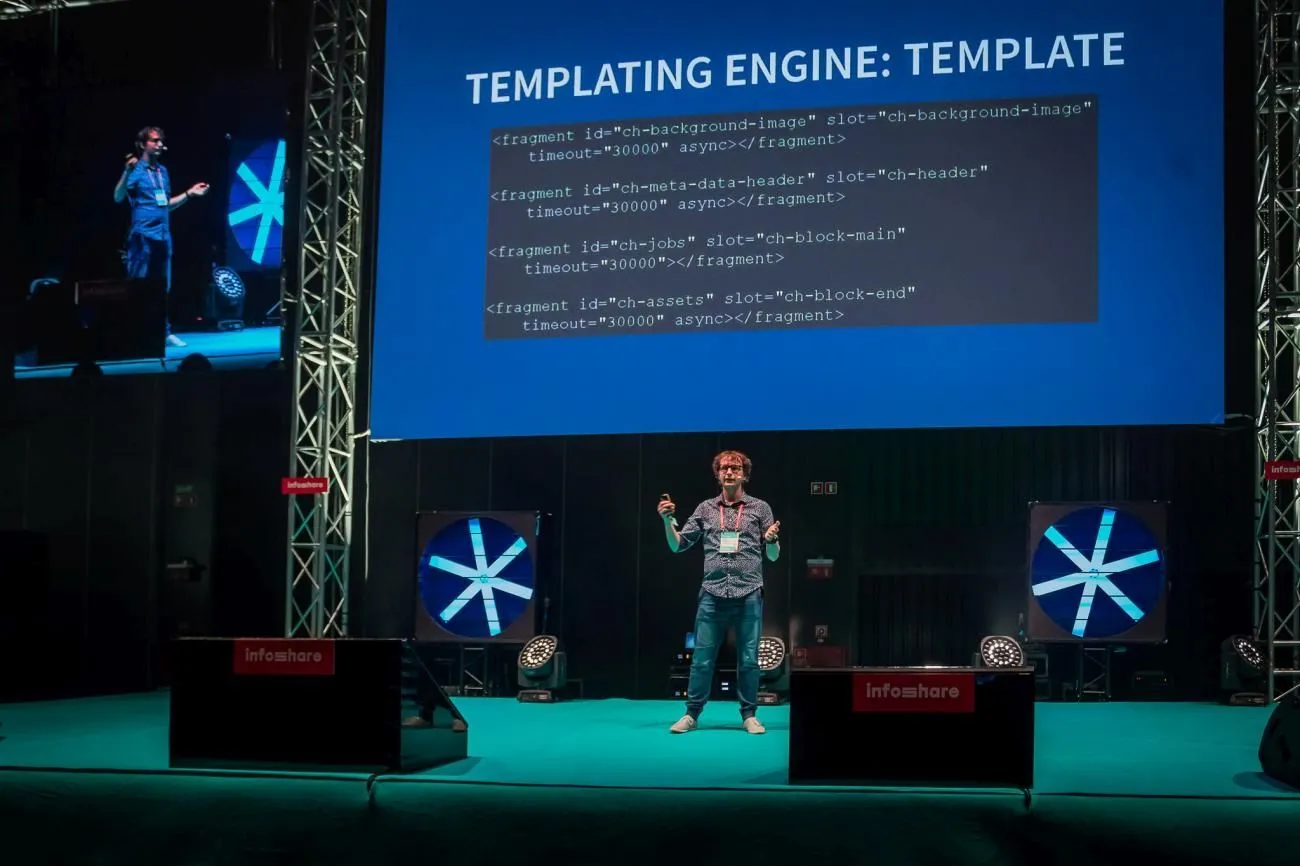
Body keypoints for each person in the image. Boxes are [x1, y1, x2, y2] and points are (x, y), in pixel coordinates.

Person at [657, 450, 780, 735]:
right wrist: (666, 521)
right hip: (712, 593)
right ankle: (691, 714)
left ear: (744, 475)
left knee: (748, 660)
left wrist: (772, 540)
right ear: (717, 474)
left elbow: (773, 555)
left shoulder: (760, 508)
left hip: (749, 592)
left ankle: (749, 715)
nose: (729, 472)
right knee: (702, 660)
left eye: (735, 468)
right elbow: (678, 545)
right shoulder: (705, 509)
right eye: (724, 468)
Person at [113, 126, 209, 348]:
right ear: (142, 144)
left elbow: (165, 205)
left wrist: (189, 194)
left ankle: (163, 332)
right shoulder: (136, 170)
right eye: (154, 140)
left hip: (163, 236)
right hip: (142, 236)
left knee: (163, 287)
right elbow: (118, 197)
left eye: (161, 141)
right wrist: (126, 172)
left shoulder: (162, 172)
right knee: (139, 285)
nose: (159, 144)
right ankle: (135, 332)